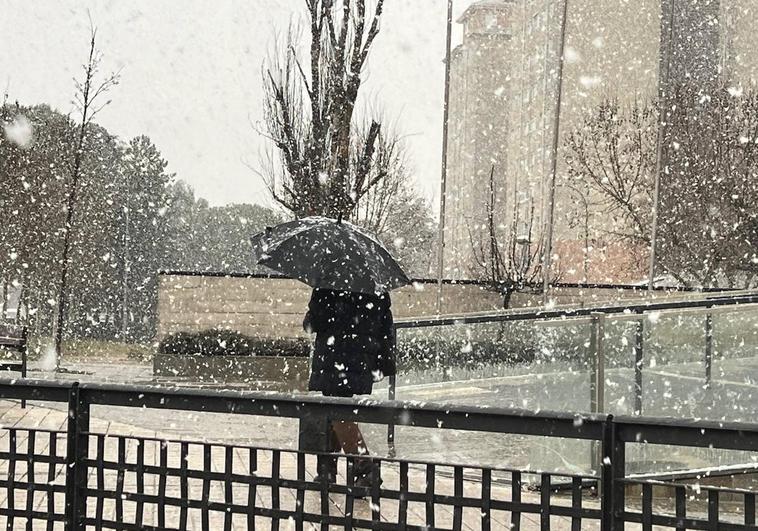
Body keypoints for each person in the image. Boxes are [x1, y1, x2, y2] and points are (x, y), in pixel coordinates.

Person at [300, 288, 395, 485]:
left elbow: (313, 324)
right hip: (360, 361)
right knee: (337, 409)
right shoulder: (376, 287)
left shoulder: (328, 286)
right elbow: (385, 327)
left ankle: (365, 465)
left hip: (334, 358)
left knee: (337, 412)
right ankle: (327, 469)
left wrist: (311, 314)